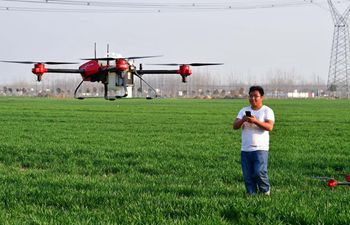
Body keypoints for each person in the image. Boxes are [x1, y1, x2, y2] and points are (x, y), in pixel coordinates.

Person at [233, 86, 275, 195]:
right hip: (245, 149)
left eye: (256, 96)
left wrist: (255, 121)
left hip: (260, 149)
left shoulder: (267, 110)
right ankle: (251, 195)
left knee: (259, 172)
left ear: (262, 97)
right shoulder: (244, 110)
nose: (253, 99)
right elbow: (235, 126)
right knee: (247, 175)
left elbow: (269, 127)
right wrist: (243, 119)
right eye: (251, 96)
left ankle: (265, 192)